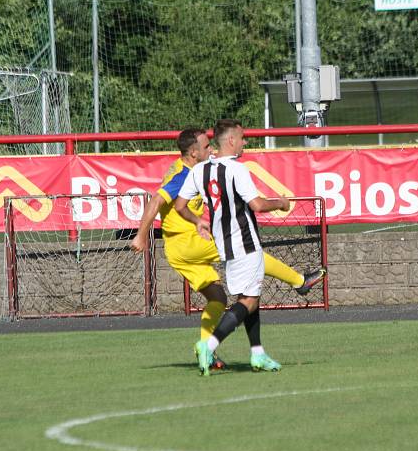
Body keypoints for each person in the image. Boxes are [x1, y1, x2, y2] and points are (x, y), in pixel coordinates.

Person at [130, 127, 324, 371]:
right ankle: (299, 281)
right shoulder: (183, 174)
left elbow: (179, 206)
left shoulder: (193, 170)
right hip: (186, 243)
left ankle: (207, 351)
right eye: (205, 147)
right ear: (193, 153)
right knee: (248, 251)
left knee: (218, 299)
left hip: (179, 250)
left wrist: (196, 220)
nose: (210, 150)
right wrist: (141, 236)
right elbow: (156, 201)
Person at [175, 119, 293, 376]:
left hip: (224, 244)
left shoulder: (199, 170)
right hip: (246, 242)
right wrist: (281, 203)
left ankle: (257, 353)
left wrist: (198, 222)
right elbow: (257, 205)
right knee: (248, 300)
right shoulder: (237, 170)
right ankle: (209, 345)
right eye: (242, 137)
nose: (244, 141)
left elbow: (179, 206)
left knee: (250, 298)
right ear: (230, 140)